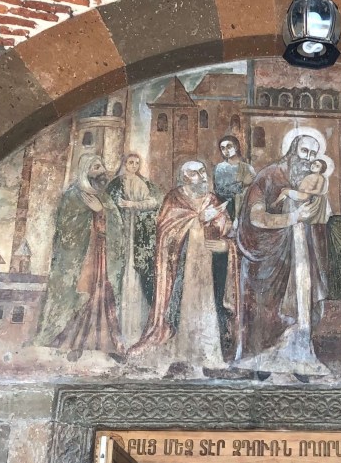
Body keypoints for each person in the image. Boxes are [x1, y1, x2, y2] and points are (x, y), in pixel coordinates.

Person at [130, 161, 238, 376]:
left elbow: (225, 227)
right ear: (185, 178)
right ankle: (180, 352)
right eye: (195, 173)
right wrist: (197, 219)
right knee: (180, 307)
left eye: (202, 172)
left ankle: (207, 353)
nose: (201, 176)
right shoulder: (175, 198)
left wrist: (219, 224)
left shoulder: (211, 198)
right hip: (181, 266)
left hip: (207, 266)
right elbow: (166, 230)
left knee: (207, 306)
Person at [235, 134, 328, 376]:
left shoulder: (310, 182)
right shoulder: (269, 176)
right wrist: (292, 218)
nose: (307, 159)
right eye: (303, 151)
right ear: (291, 150)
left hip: (301, 255)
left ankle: (298, 359)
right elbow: (255, 217)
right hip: (269, 255)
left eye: (312, 154)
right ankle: (262, 362)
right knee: (266, 311)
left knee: (300, 306)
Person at [34, 153, 125, 361]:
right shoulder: (73, 196)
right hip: (81, 261)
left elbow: (117, 227)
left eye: (101, 166)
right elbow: (66, 228)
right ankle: (71, 343)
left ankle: (104, 343)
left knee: (101, 299)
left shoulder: (104, 197)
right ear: (85, 171)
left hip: (102, 259)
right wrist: (91, 215)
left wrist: (102, 211)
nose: (101, 171)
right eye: (95, 167)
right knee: (80, 298)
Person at [107, 153, 163, 344]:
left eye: (137, 163)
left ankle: (140, 328)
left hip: (140, 233)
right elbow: (110, 205)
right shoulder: (116, 184)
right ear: (124, 164)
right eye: (130, 162)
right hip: (123, 231)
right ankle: (119, 329)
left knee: (139, 273)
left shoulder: (145, 183)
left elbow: (155, 202)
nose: (134, 165)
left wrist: (134, 205)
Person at [273, 158, 330, 225]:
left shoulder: (320, 178)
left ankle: (275, 203)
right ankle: (279, 204)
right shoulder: (309, 175)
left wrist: (306, 190)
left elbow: (318, 190)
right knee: (284, 190)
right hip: (300, 193)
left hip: (303, 195)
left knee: (285, 192)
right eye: (314, 163)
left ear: (321, 170)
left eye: (317, 166)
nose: (314, 166)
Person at [213, 136, 256, 219]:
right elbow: (220, 191)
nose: (226, 151)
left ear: (236, 147)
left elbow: (254, 189)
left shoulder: (248, 168)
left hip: (246, 206)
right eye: (223, 148)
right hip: (227, 208)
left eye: (229, 147)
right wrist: (242, 184)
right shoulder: (220, 168)